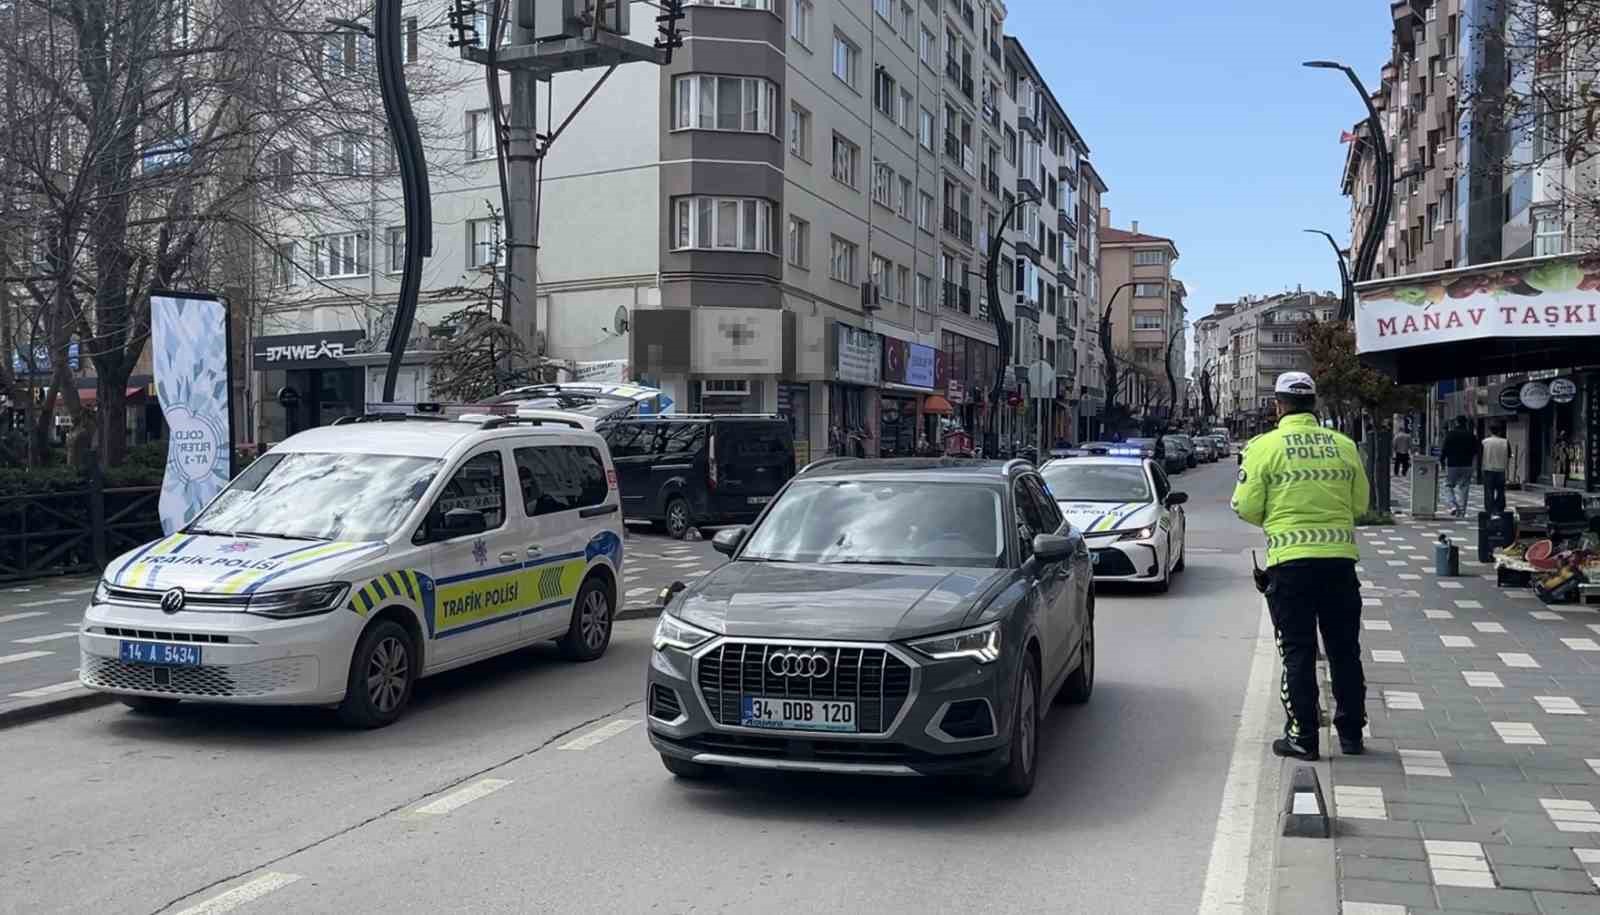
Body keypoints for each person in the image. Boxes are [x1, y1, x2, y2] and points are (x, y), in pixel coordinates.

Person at [1231, 371, 1370, 761]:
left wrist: (1279, 521)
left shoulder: (1264, 447)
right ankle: (1352, 735)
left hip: (1289, 567)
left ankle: (1303, 737)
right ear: (1315, 405)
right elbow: (1360, 505)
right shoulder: (1344, 446)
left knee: (1298, 651)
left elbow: (1245, 506)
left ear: (1278, 406)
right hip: (1340, 565)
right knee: (1345, 650)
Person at [1441, 416, 1480, 517]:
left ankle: (1453, 505)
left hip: (1452, 464)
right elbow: (1476, 451)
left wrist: (1442, 461)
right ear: (1465, 423)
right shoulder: (1471, 435)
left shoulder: (1451, 434)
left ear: (1456, 423)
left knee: (1448, 485)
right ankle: (1462, 511)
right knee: (1464, 487)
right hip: (1467, 464)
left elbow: (1444, 449)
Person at [1482, 422, 1509, 515]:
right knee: (1501, 490)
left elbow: (1481, 454)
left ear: (1490, 431)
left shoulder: (1485, 442)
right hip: (1501, 469)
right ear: (1500, 431)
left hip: (1488, 469)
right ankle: (1499, 507)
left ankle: (1490, 509)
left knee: (1489, 490)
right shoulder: (1505, 442)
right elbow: (1509, 454)